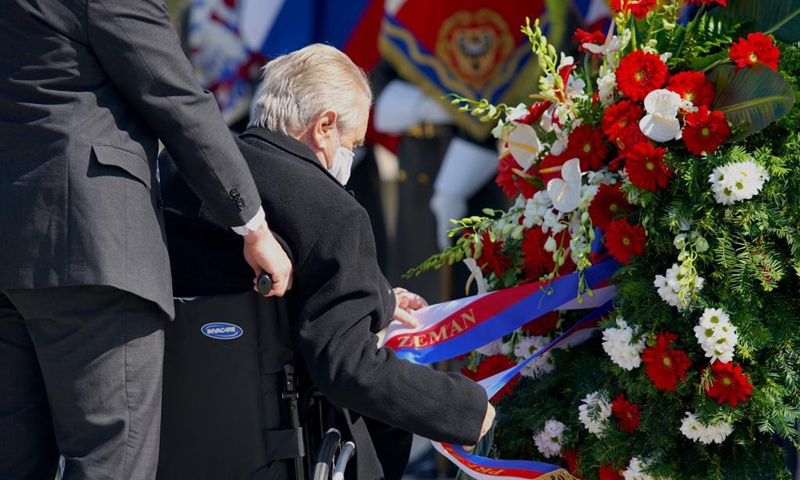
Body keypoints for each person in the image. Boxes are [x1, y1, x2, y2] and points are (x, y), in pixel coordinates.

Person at [162, 43, 494, 479]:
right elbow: (347, 366)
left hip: (173, 438)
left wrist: (378, 298)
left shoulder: (184, 174)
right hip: (289, 449)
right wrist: (466, 409)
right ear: (324, 127)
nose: (350, 158)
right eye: (353, 144)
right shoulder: (332, 210)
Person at [0, 1, 293, 479]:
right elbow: (176, 99)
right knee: (109, 463)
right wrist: (252, 225)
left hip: (13, 249)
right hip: (91, 248)